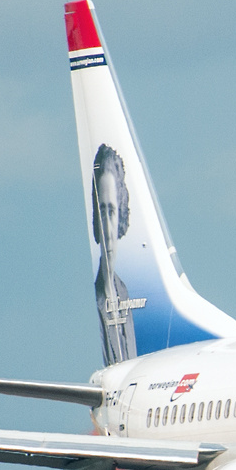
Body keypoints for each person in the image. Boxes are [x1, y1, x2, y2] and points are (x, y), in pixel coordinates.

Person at [91, 143, 137, 364]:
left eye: (111, 212)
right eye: (102, 212)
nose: (108, 230)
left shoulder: (125, 293)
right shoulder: (97, 297)